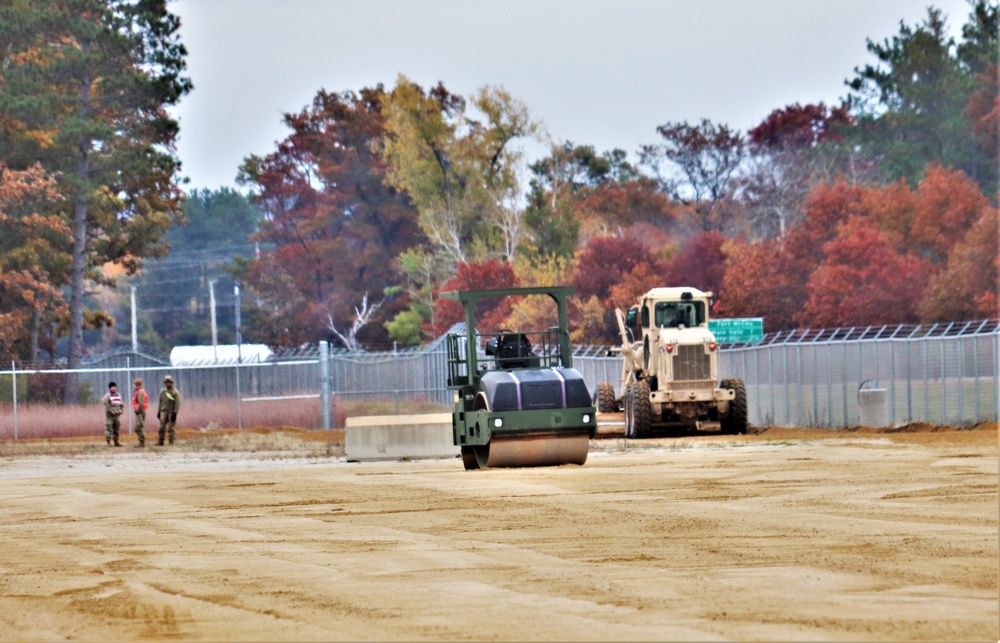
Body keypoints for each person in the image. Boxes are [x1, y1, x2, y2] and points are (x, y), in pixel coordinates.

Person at [156, 375, 181, 446]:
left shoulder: (175, 392)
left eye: (169, 382)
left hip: (171, 412)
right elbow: (160, 402)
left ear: (171, 383)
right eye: (166, 382)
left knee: (171, 428)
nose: (167, 384)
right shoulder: (163, 392)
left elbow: (177, 403)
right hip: (163, 411)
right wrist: (159, 412)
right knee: (161, 427)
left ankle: (171, 442)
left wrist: (175, 413)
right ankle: (160, 442)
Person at [102, 381, 125, 447]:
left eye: (115, 387)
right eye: (112, 387)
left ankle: (116, 441)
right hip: (110, 415)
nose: (114, 388)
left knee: (116, 428)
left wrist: (121, 411)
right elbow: (106, 404)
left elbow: (121, 404)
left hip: (117, 415)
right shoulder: (107, 396)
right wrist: (111, 411)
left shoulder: (118, 395)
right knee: (109, 428)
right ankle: (108, 441)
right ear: (110, 388)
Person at [132, 378, 148, 448]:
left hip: (140, 412)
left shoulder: (140, 392)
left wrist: (138, 411)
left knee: (138, 427)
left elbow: (141, 403)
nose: (133, 386)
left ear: (136, 385)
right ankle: (141, 441)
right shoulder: (139, 391)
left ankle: (142, 442)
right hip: (139, 412)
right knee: (138, 427)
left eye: (134, 384)